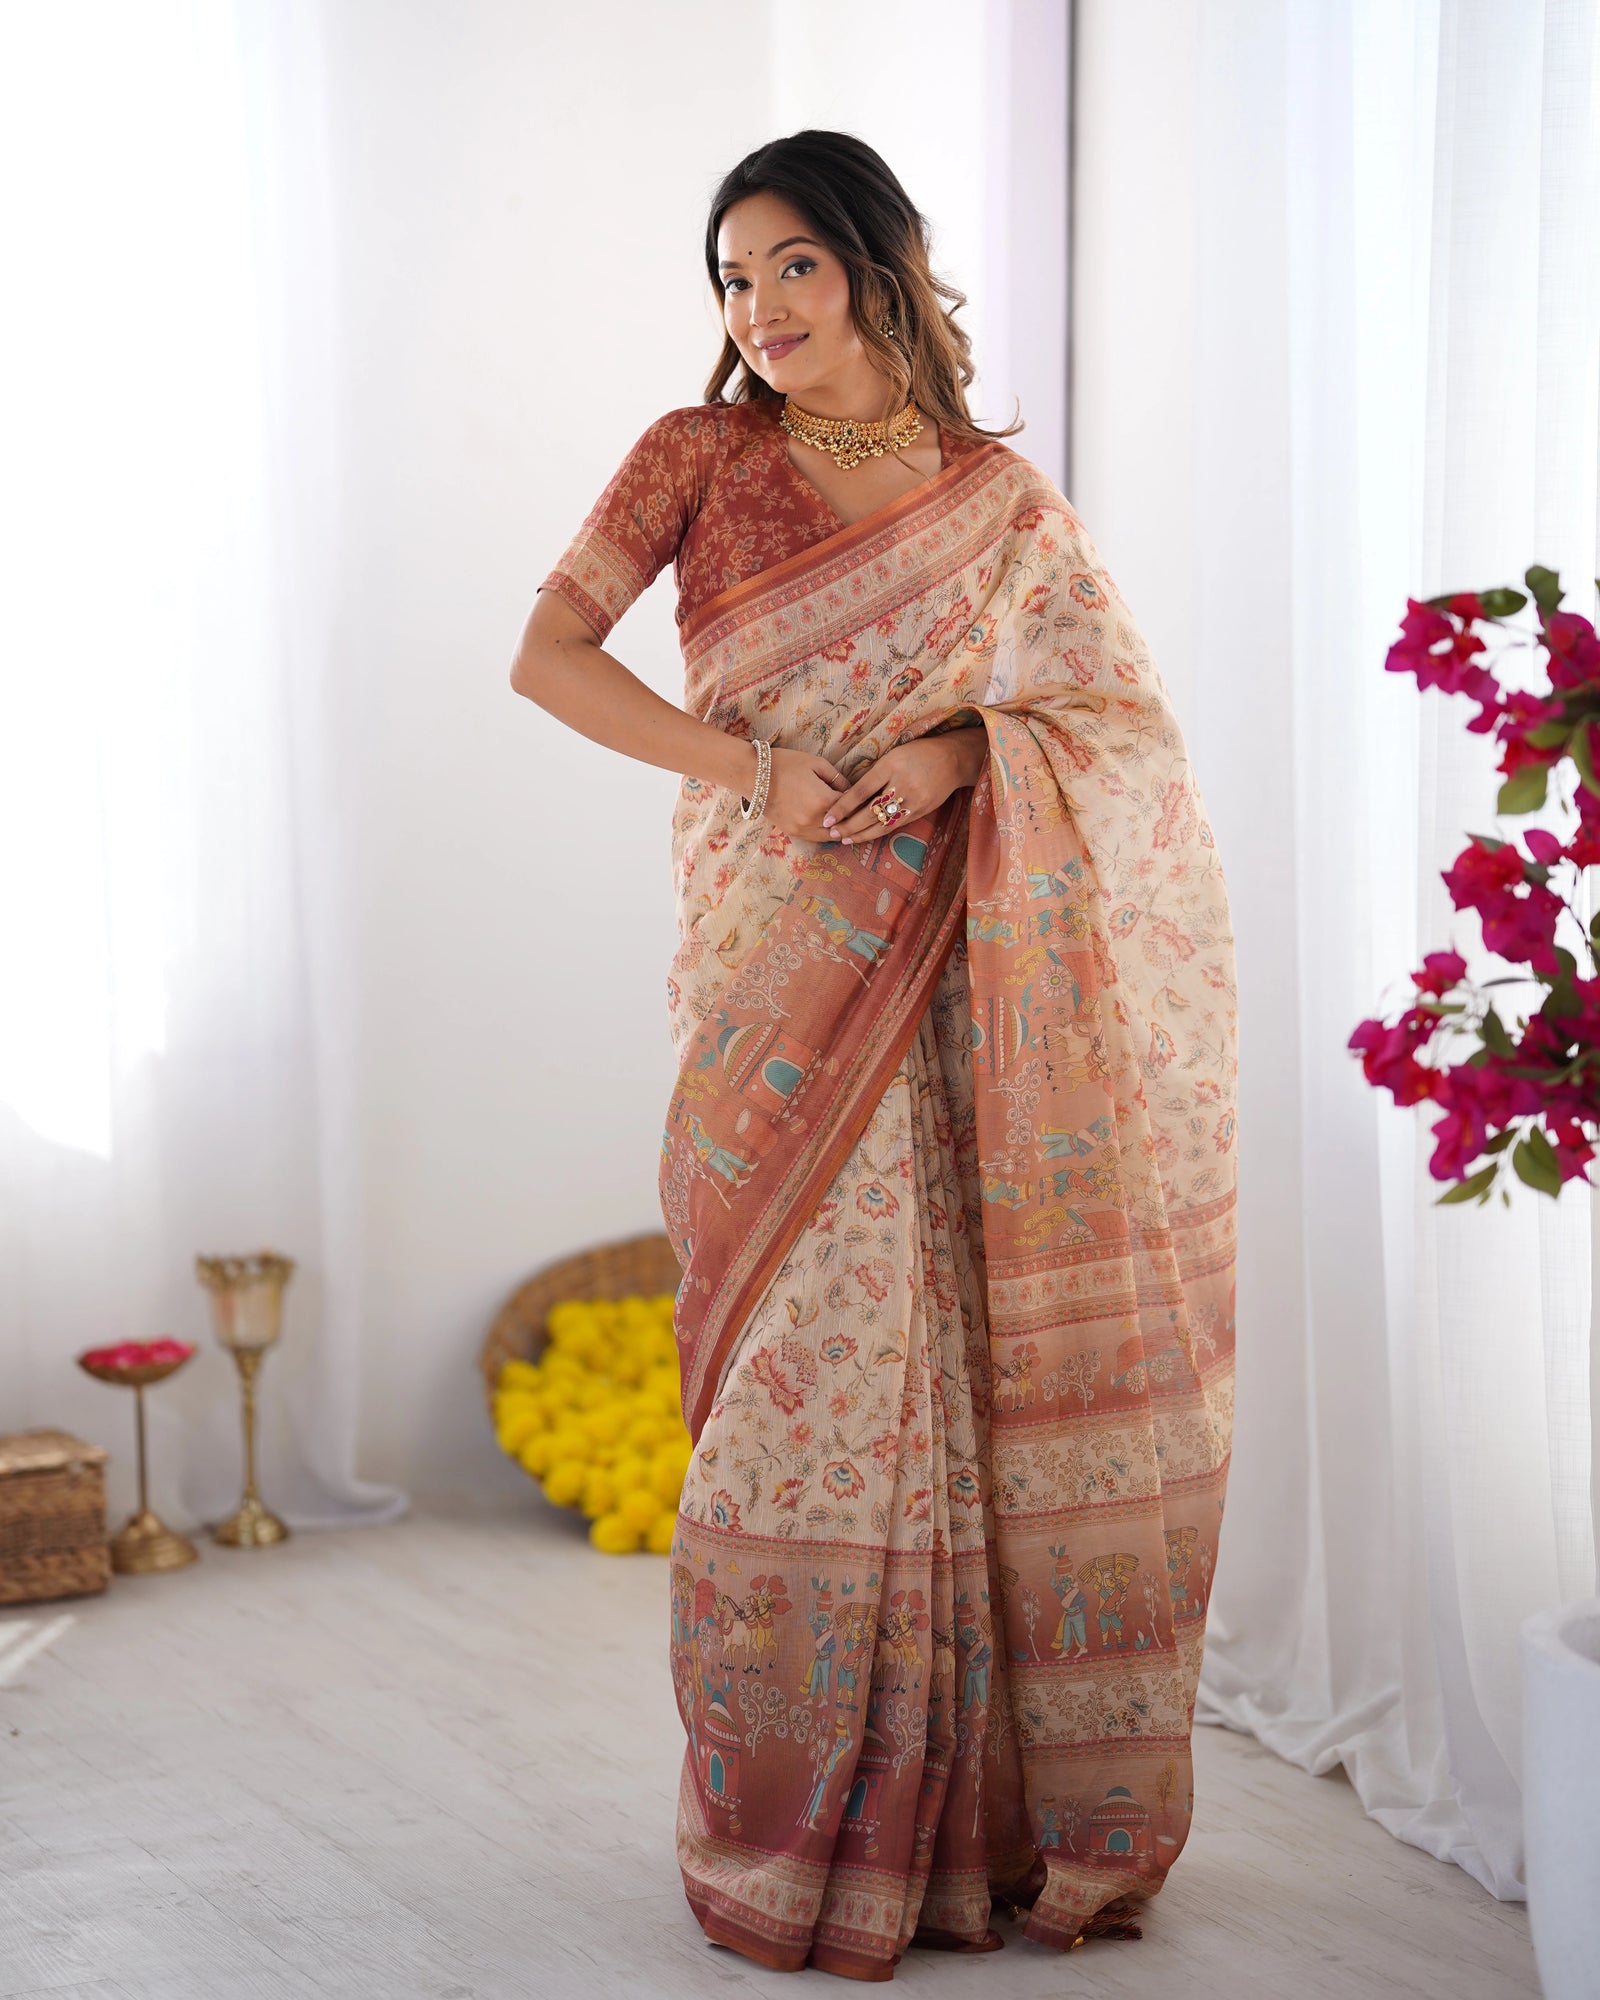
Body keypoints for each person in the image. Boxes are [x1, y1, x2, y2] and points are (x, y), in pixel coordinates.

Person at [511, 128, 1238, 1983]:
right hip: (775, 966)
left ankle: (974, 1835)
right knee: (799, 1374)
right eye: (732, 280)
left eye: (792, 270)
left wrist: (963, 754)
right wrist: (750, 769)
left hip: (966, 970)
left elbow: (1115, 725)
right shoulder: (696, 452)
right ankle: (798, 1823)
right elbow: (550, 656)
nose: (757, 311)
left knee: (966, 1367)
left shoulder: (996, 498)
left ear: (879, 262)